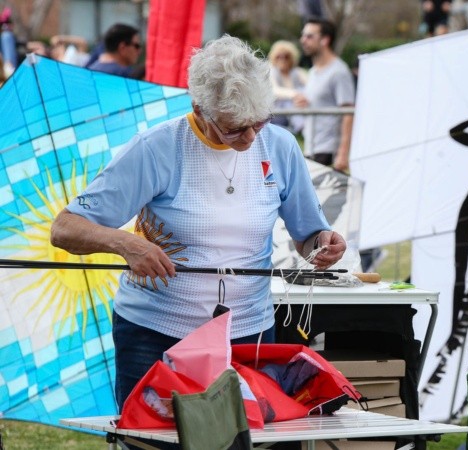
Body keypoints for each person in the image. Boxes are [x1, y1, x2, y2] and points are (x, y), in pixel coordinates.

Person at [50, 35, 347, 409]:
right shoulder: (156, 148)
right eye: (235, 127)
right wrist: (127, 244)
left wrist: (322, 242)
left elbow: (309, 233)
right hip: (155, 333)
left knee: (239, 439)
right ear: (199, 109)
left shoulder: (280, 145)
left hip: (248, 330)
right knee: (154, 441)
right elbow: (65, 227)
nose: (251, 136)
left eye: (259, 121)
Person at [296, 18, 355, 172]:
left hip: (329, 151)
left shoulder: (339, 71)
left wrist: (343, 153)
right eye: (303, 36)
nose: (303, 40)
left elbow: (348, 113)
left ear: (325, 40)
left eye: (309, 36)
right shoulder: (313, 71)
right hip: (312, 147)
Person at [268, 40, 307, 134]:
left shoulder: (297, 72)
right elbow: (275, 90)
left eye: (286, 56)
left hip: (298, 108)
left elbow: (311, 87)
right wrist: (295, 95)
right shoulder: (271, 71)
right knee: (289, 101)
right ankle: (303, 128)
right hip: (276, 114)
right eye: (279, 56)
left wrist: (302, 97)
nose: (282, 59)